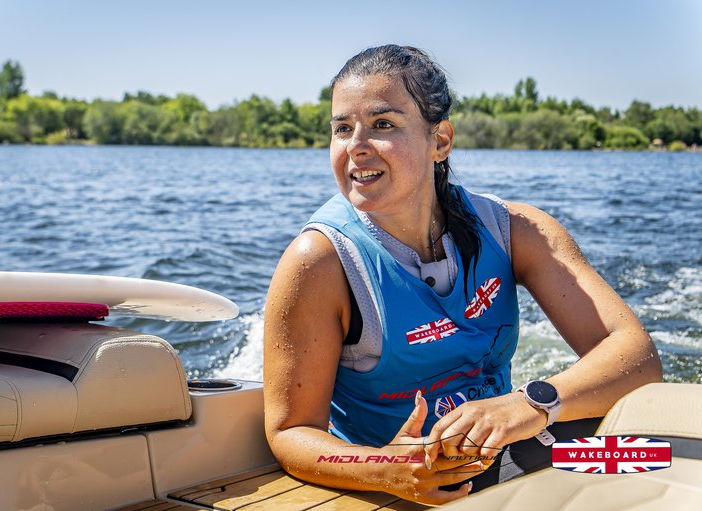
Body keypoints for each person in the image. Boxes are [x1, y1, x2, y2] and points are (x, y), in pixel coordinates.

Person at [263, 44, 662, 506]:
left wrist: (531, 404)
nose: (356, 147)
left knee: (660, 452)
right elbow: (291, 432)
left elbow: (636, 357)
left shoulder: (514, 229)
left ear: (441, 141)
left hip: (514, 447)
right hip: (407, 487)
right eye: (342, 129)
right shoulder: (321, 261)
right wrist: (384, 469)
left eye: (383, 125)